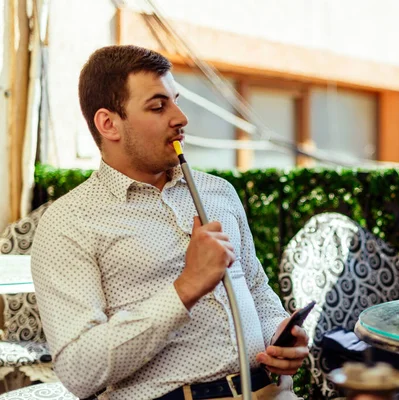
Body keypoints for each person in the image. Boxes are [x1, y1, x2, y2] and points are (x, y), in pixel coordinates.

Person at [31, 45, 308, 400]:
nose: (180, 117)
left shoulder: (217, 192)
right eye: (158, 106)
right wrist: (186, 288)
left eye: (175, 100)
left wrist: (277, 336)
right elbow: (80, 370)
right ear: (109, 124)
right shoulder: (70, 222)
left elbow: (255, 289)